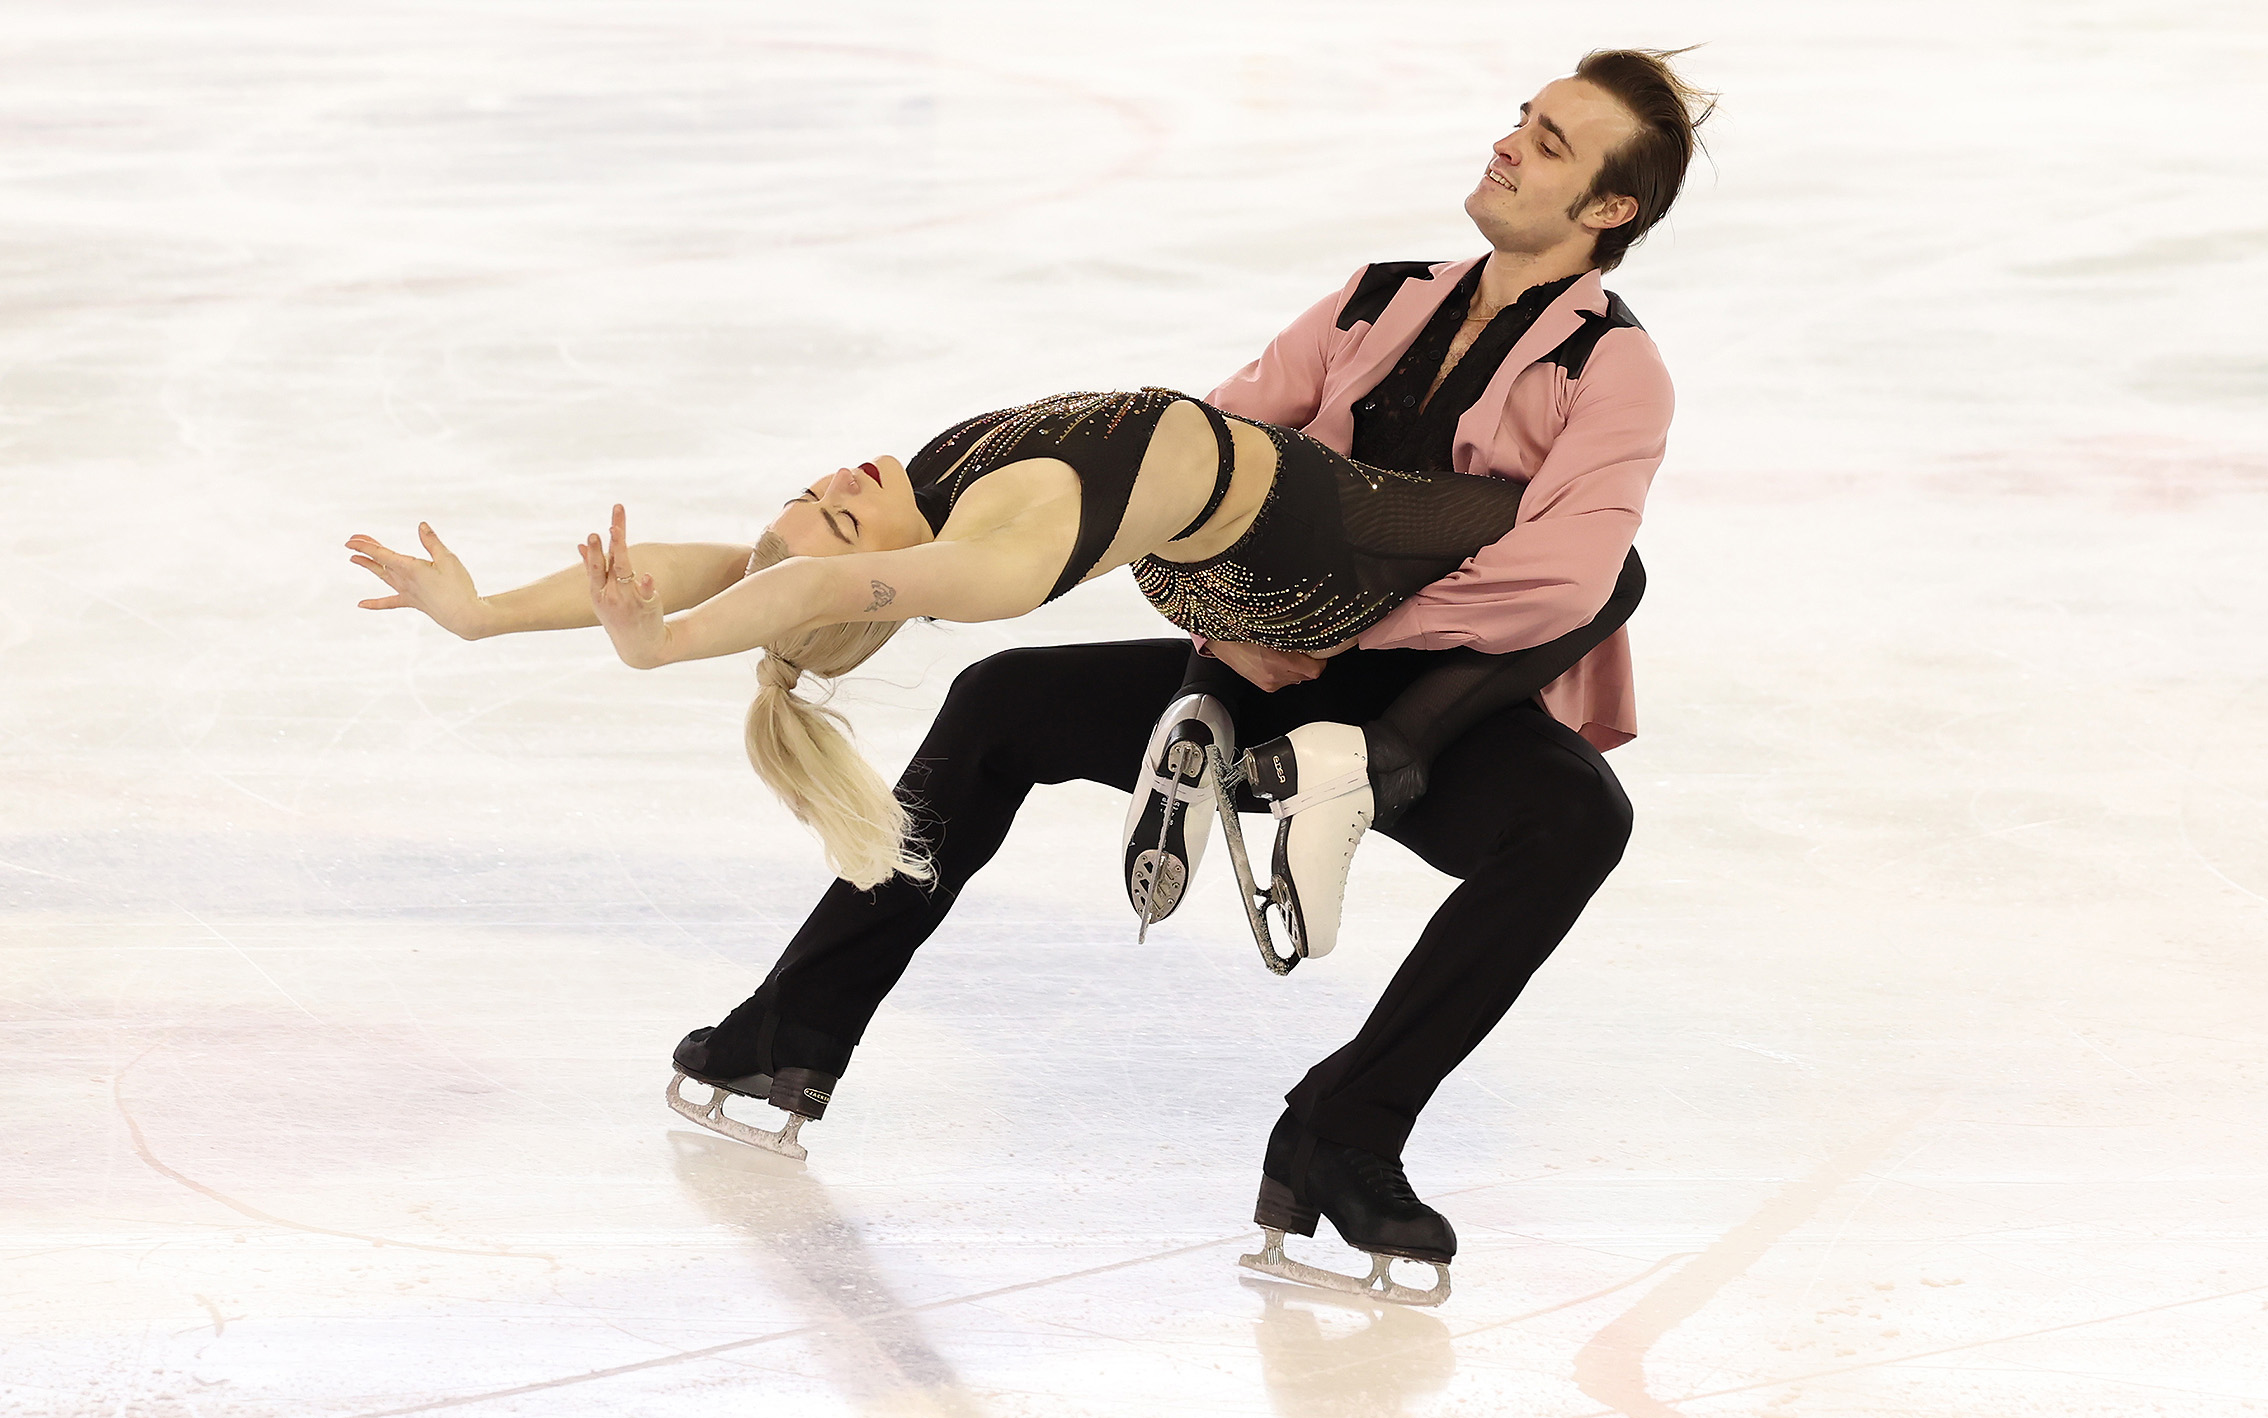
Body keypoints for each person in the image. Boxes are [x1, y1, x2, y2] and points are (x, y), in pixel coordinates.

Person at [349, 47, 1712, 1306]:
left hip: (1410, 676)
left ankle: (1340, 1123)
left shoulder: (1613, 368)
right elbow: (818, 570)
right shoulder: (1373, 298)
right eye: (1523, 124)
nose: (1509, 145)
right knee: (1037, 684)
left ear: (1607, 210)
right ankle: (803, 1020)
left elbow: (1563, 580)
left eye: (1546, 140)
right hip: (1263, 625)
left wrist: (496, 613)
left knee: (1569, 813)